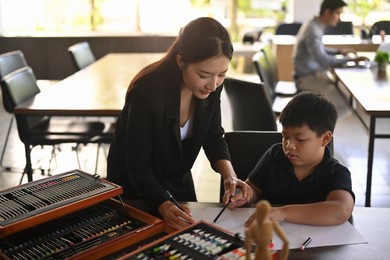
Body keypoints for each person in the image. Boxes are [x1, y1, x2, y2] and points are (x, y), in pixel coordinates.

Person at [106, 17, 250, 228]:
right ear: (181, 61)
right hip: (137, 189)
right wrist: (162, 204)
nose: (213, 84)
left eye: (222, 74)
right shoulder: (146, 92)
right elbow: (137, 166)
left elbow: (213, 137)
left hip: (177, 179)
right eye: (203, 75)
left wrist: (230, 175)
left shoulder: (212, 86)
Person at [229, 91, 355, 226]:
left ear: (325, 139)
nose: (289, 146)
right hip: (269, 238)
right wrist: (245, 195)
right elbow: (254, 188)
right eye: (285, 137)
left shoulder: (336, 172)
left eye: (300, 139)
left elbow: (341, 210)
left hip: (310, 243)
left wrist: (282, 213)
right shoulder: (275, 155)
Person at [292, 0, 368, 95]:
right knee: (343, 96)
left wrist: (338, 52)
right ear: (327, 12)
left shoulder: (314, 25)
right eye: (338, 13)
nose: (339, 19)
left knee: (343, 91)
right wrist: (350, 59)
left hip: (310, 74)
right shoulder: (313, 30)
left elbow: (319, 50)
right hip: (306, 78)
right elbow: (324, 61)